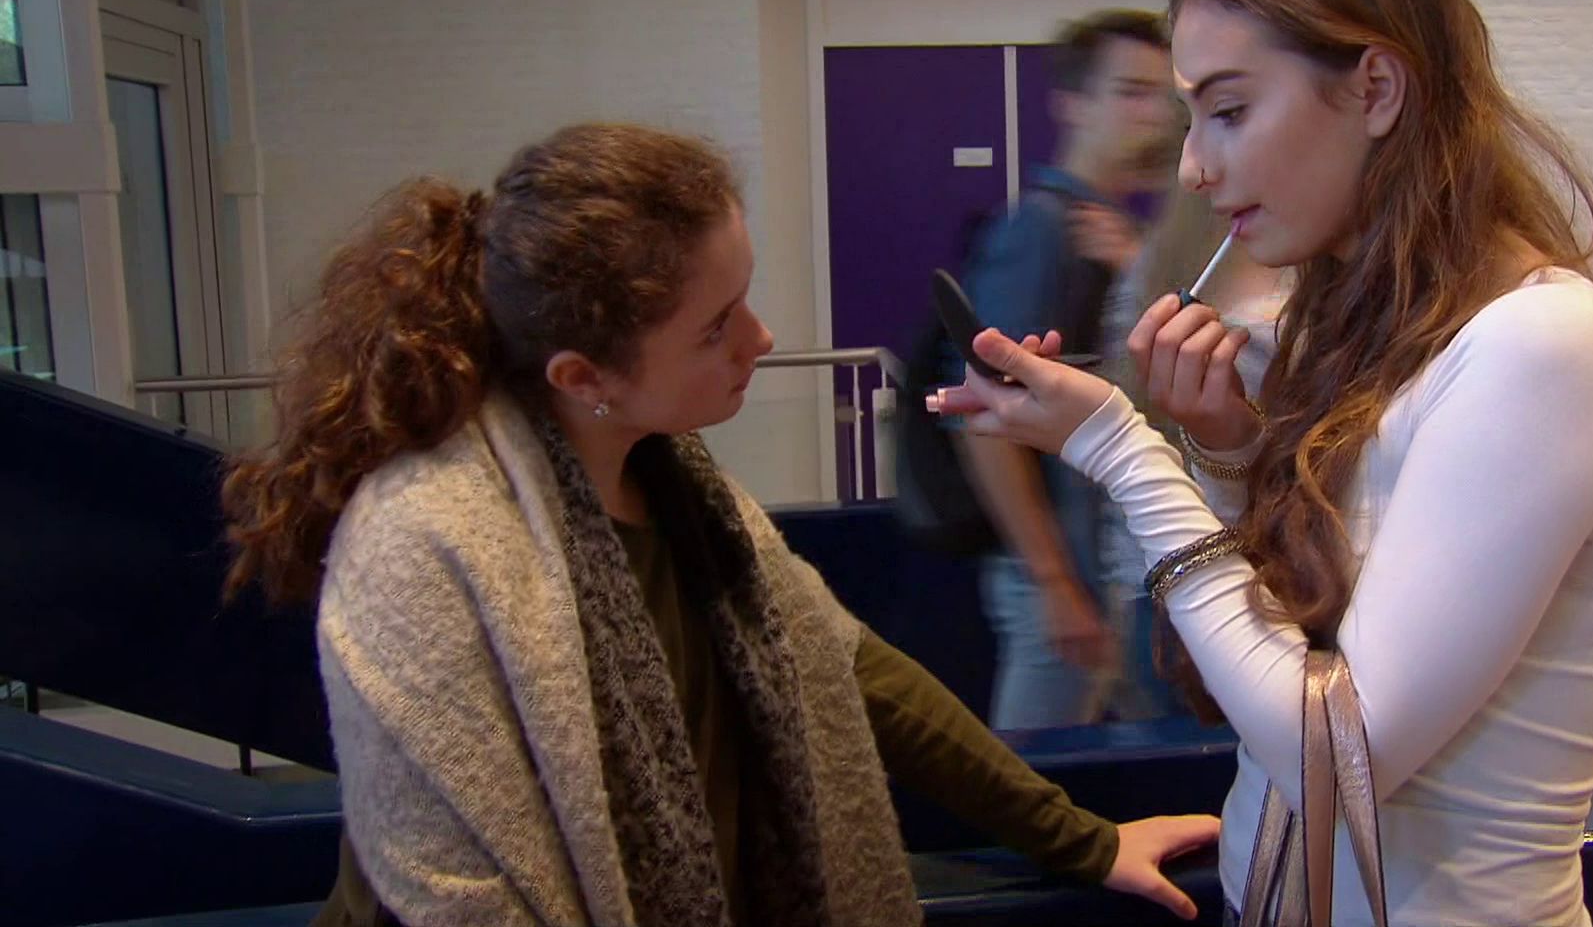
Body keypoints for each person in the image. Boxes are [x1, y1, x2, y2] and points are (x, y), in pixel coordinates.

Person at [218, 123, 1219, 927]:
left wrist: (1081, 839)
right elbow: (454, 891)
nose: (761, 338)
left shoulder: (676, 484)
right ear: (585, 376)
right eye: (715, 326)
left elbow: (849, 668)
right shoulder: (420, 543)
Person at [932, 0, 1593, 927]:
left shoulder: (1546, 351)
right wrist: (1225, 452)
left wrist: (1123, 449)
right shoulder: (1351, 333)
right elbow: (1277, 653)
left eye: (1230, 112)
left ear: (1375, 89)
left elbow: (1339, 755)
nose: (1194, 167)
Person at [954, 8, 1183, 730]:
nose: (1154, 116)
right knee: (1035, 779)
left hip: (1105, 568)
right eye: (1130, 93)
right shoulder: (1042, 232)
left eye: (1162, 97)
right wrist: (1055, 584)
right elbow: (984, 419)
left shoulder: (1116, 233)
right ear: (1074, 103)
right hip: (1059, 576)